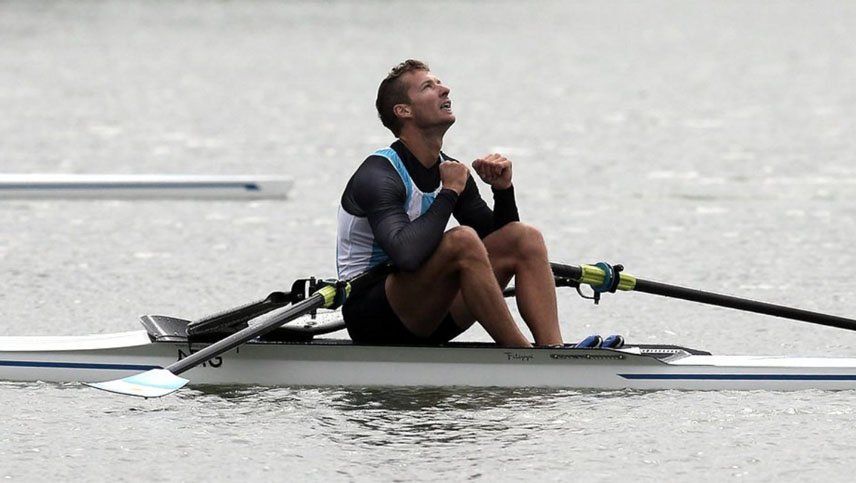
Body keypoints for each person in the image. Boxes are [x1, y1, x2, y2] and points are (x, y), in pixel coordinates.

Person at [336, 59, 563, 348]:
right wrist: (449, 192)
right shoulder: (378, 176)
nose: (444, 89)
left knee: (525, 237)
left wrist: (503, 190)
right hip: (373, 317)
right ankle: (522, 355)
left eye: (439, 83)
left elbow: (500, 241)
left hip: (430, 311)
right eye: (428, 87)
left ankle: (553, 351)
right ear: (404, 111)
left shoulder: (451, 170)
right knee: (462, 240)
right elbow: (406, 255)